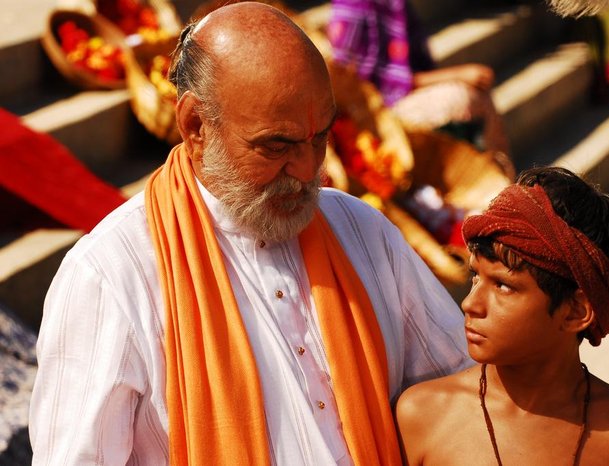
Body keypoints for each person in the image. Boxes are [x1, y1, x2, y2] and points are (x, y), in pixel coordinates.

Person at [28, 3, 470, 464]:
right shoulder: (110, 275)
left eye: (319, 139)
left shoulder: (365, 232)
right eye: (276, 145)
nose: (305, 170)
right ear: (196, 126)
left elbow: (459, 393)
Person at [396, 166, 609, 465]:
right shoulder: (423, 416)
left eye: (504, 286)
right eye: (475, 276)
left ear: (576, 312)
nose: (471, 304)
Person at [327, 0, 510, 156]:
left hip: (396, 99)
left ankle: (501, 184)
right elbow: (363, 85)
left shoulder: (393, 4)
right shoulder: (354, 7)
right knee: (464, 98)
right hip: (375, 116)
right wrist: (457, 75)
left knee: (478, 96)